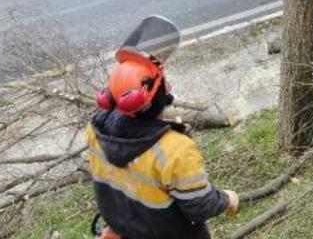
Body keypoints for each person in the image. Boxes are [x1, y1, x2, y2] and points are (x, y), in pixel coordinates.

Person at [87, 44, 238, 239]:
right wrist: (227, 200)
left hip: (123, 228)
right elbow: (201, 206)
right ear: (157, 97)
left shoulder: (95, 130)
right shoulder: (174, 149)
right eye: (163, 85)